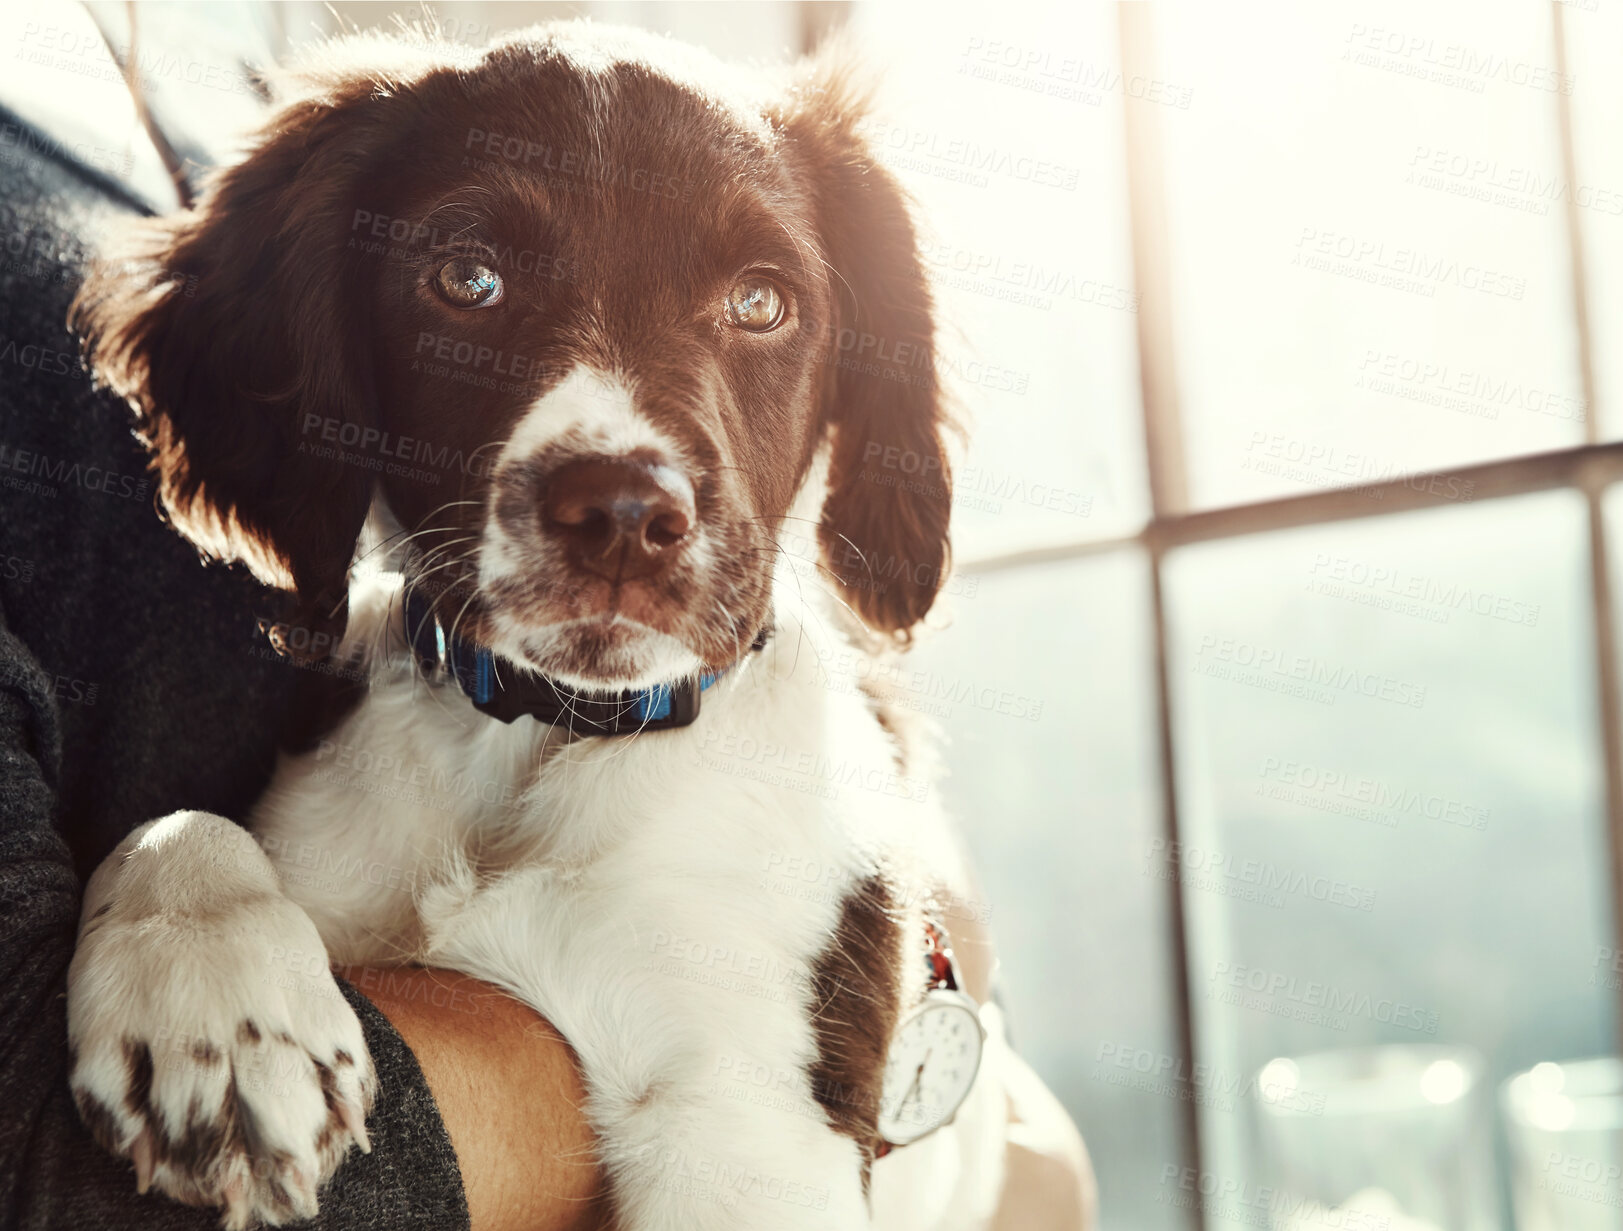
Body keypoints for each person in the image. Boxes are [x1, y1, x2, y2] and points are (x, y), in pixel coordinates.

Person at [0, 25, 1094, 1231]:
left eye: (760, 299)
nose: (630, 484)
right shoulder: (297, 816)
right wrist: (176, 876)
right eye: (471, 281)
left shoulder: (795, 810)